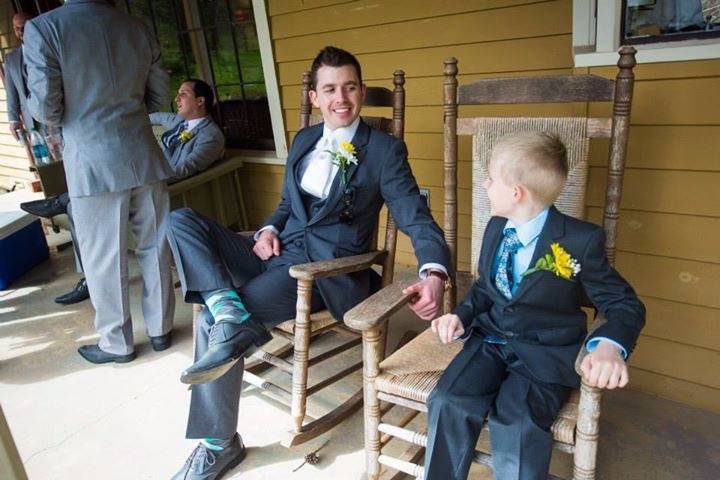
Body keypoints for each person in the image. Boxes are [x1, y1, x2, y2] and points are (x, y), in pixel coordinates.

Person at [166, 46, 451, 480]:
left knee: (209, 319)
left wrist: (433, 270)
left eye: (350, 87)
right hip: (277, 251)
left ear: (359, 90)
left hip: (321, 272)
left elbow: (416, 216)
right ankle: (229, 309)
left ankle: (218, 443)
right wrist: (267, 229)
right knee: (180, 220)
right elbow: (286, 206)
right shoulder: (303, 141)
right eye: (330, 89)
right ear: (315, 97)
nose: (342, 98)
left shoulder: (383, 152)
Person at [423, 131, 646, 480]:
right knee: (447, 401)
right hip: (490, 340)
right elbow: (485, 288)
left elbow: (625, 304)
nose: (484, 184)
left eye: (490, 178)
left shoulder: (579, 240)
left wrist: (607, 347)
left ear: (516, 192)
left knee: (517, 424)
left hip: (544, 355)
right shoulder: (496, 228)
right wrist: (460, 315)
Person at [23, 0, 175, 364]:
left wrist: (34, 108)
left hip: (92, 160)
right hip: (142, 154)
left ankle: (116, 343)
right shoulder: (136, 26)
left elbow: (47, 108)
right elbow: (160, 97)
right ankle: (161, 330)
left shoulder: (45, 28)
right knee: (155, 248)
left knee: (104, 258)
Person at [20, 78, 226, 305]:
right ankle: (89, 275)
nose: (177, 98)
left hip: (166, 187)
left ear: (200, 101)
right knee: (80, 206)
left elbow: (187, 168)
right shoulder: (179, 121)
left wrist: (150, 170)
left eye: (183, 94)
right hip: (148, 179)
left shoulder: (210, 136)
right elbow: (152, 117)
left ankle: (63, 211)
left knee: (90, 199)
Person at [4, 13, 41, 141]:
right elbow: (11, 92)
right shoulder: (10, 59)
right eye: (16, 28)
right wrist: (13, 119)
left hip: (56, 117)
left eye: (24, 27)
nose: (21, 31)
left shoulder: (45, 49)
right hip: (31, 122)